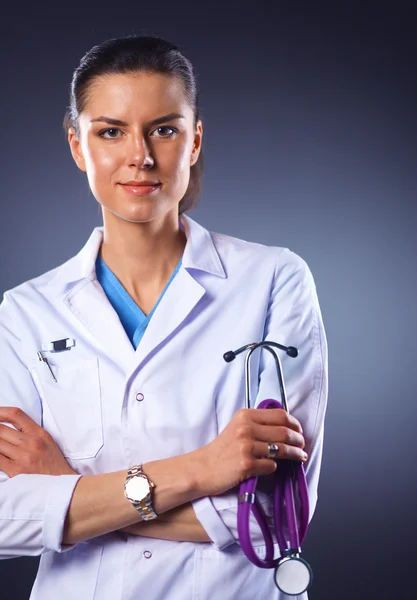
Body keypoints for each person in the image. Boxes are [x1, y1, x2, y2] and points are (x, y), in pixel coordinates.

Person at [0, 35, 328, 600]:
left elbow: (274, 522)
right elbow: (6, 522)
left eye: (164, 129)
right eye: (110, 131)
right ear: (78, 146)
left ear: (194, 139)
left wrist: (68, 493)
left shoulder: (274, 280)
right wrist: (204, 469)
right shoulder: (25, 312)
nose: (140, 156)